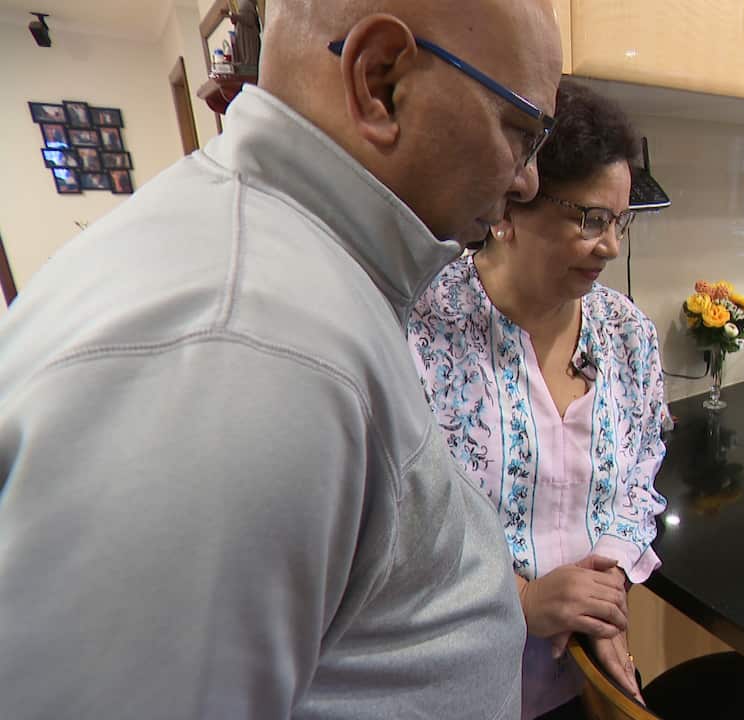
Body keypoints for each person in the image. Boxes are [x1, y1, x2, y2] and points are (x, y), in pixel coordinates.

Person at [0, 1, 562, 717]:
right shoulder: (241, 346)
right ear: (381, 81)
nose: (527, 182)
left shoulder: (302, 273)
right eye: (521, 132)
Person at [408, 79, 667, 719]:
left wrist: (603, 585)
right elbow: (399, 527)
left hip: (582, 681)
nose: (609, 245)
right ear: (507, 209)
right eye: (588, 218)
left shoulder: (627, 334)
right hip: (457, 685)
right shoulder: (420, 328)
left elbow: (641, 469)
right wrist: (519, 599)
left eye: (619, 221)